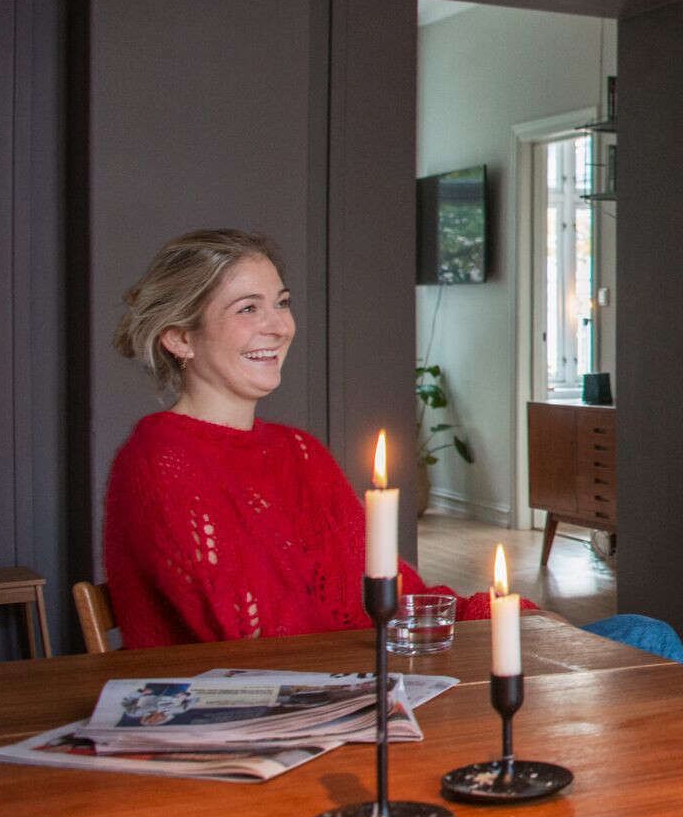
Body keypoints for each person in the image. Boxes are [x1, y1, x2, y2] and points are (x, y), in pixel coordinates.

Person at [104, 229, 499, 648]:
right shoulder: (159, 462)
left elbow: (398, 594)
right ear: (181, 338)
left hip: (344, 677)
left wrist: (507, 615)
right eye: (248, 308)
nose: (280, 327)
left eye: (282, 303)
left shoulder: (300, 451)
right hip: (248, 687)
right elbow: (251, 639)